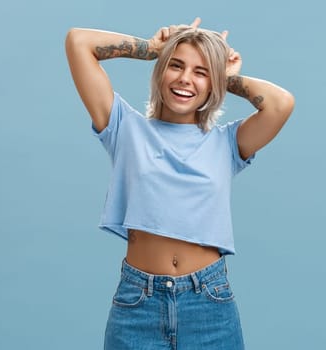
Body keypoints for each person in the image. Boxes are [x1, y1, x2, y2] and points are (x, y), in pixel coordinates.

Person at [65, 17, 294, 349]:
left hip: (209, 303)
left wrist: (224, 76)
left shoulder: (227, 143)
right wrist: (152, 48)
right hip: (137, 303)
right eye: (176, 65)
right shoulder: (125, 128)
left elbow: (280, 103)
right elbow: (78, 42)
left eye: (200, 73)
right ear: (161, 71)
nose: (185, 79)